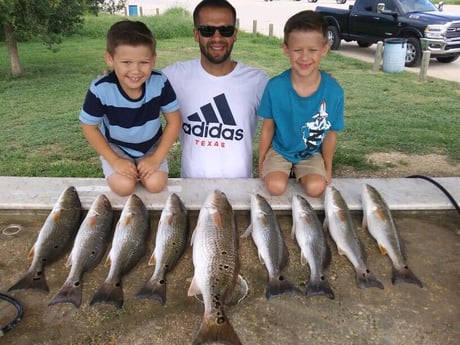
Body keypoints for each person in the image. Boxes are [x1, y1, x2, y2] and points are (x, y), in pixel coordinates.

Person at [163, 0, 269, 178]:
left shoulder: (258, 81)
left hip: (240, 190)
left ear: (235, 34)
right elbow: (135, 84)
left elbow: (285, 122)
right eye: (207, 30)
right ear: (196, 34)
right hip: (192, 191)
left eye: (225, 30)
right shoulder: (173, 76)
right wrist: (114, 77)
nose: (217, 38)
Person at [79, 20, 181, 196]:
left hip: (151, 146)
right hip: (117, 148)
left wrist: (156, 159)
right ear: (110, 59)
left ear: (154, 59)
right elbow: (89, 127)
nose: (135, 70)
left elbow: (174, 121)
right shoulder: (101, 88)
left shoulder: (159, 81)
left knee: (156, 184)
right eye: (126, 62)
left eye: (143, 62)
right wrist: (115, 160)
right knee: (124, 187)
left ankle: (144, 166)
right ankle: (123, 166)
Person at [258, 10, 344, 197]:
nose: (305, 57)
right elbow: (267, 127)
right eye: (297, 50)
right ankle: (285, 171)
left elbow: (331, 134)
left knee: (316, 189)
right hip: (280, 150)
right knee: (275, 187)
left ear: (324, 49)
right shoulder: (275, 87)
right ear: (286, 49)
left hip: (311, 153)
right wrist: (262, 160)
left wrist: (328, 168)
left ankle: (302, 172)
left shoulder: (334, 92)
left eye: (312, 50)